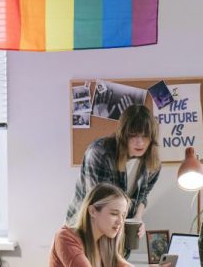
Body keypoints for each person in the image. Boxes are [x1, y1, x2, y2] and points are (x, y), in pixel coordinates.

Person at [66, 104, 161, 248]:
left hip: (118, 236)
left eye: (145, 136)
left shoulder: (153, 165)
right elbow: (100, 205)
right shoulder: (99, 154)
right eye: (133, 135)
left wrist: (137, 219)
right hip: (84, 233)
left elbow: (143, 197)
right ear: (123, 135)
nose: (140, 142)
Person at [50, 183, 131, 267]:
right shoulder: (64, 237)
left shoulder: (105, 241)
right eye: (114, 214)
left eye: (123, 215)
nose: (120, 222)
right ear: (92, 211)